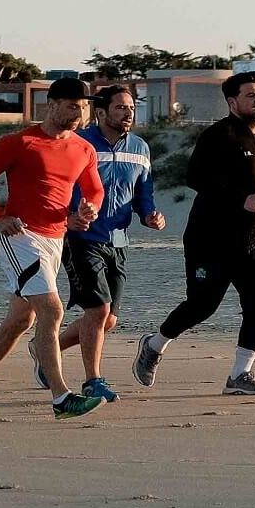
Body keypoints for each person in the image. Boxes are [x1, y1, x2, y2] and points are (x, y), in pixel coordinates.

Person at [133, 71, 255, 395]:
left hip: (251, 238)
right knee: (202, 306)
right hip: (209, 238)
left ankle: (239, 375)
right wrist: (241, 199)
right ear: (232, 102)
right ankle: (154, 346)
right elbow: (196, 177)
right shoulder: (219, 135)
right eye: (251, 95)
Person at [0, 78, 106, 421]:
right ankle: (61, 397)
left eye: (83, 106)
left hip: (55, 238)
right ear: (50, 105)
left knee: (21, 319)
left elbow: (94, 190)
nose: (79, 112)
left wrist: (88, 210)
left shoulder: (84, 149)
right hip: (20, 236)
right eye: (72, 105)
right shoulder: (20, 142)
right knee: (51, 311)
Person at [55, 85, 164, 389]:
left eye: (131, 108)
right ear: (101, 112)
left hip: (117, 240)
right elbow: (57, 185)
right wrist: (67, 216)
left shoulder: (140, 147)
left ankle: (46, 349)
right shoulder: (78, 143)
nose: (127, 113)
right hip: (80, 237)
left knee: (109, 320)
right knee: (98, 310)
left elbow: (144, 191)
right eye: (120, 108)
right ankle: (93, 380)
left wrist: (149, 215)